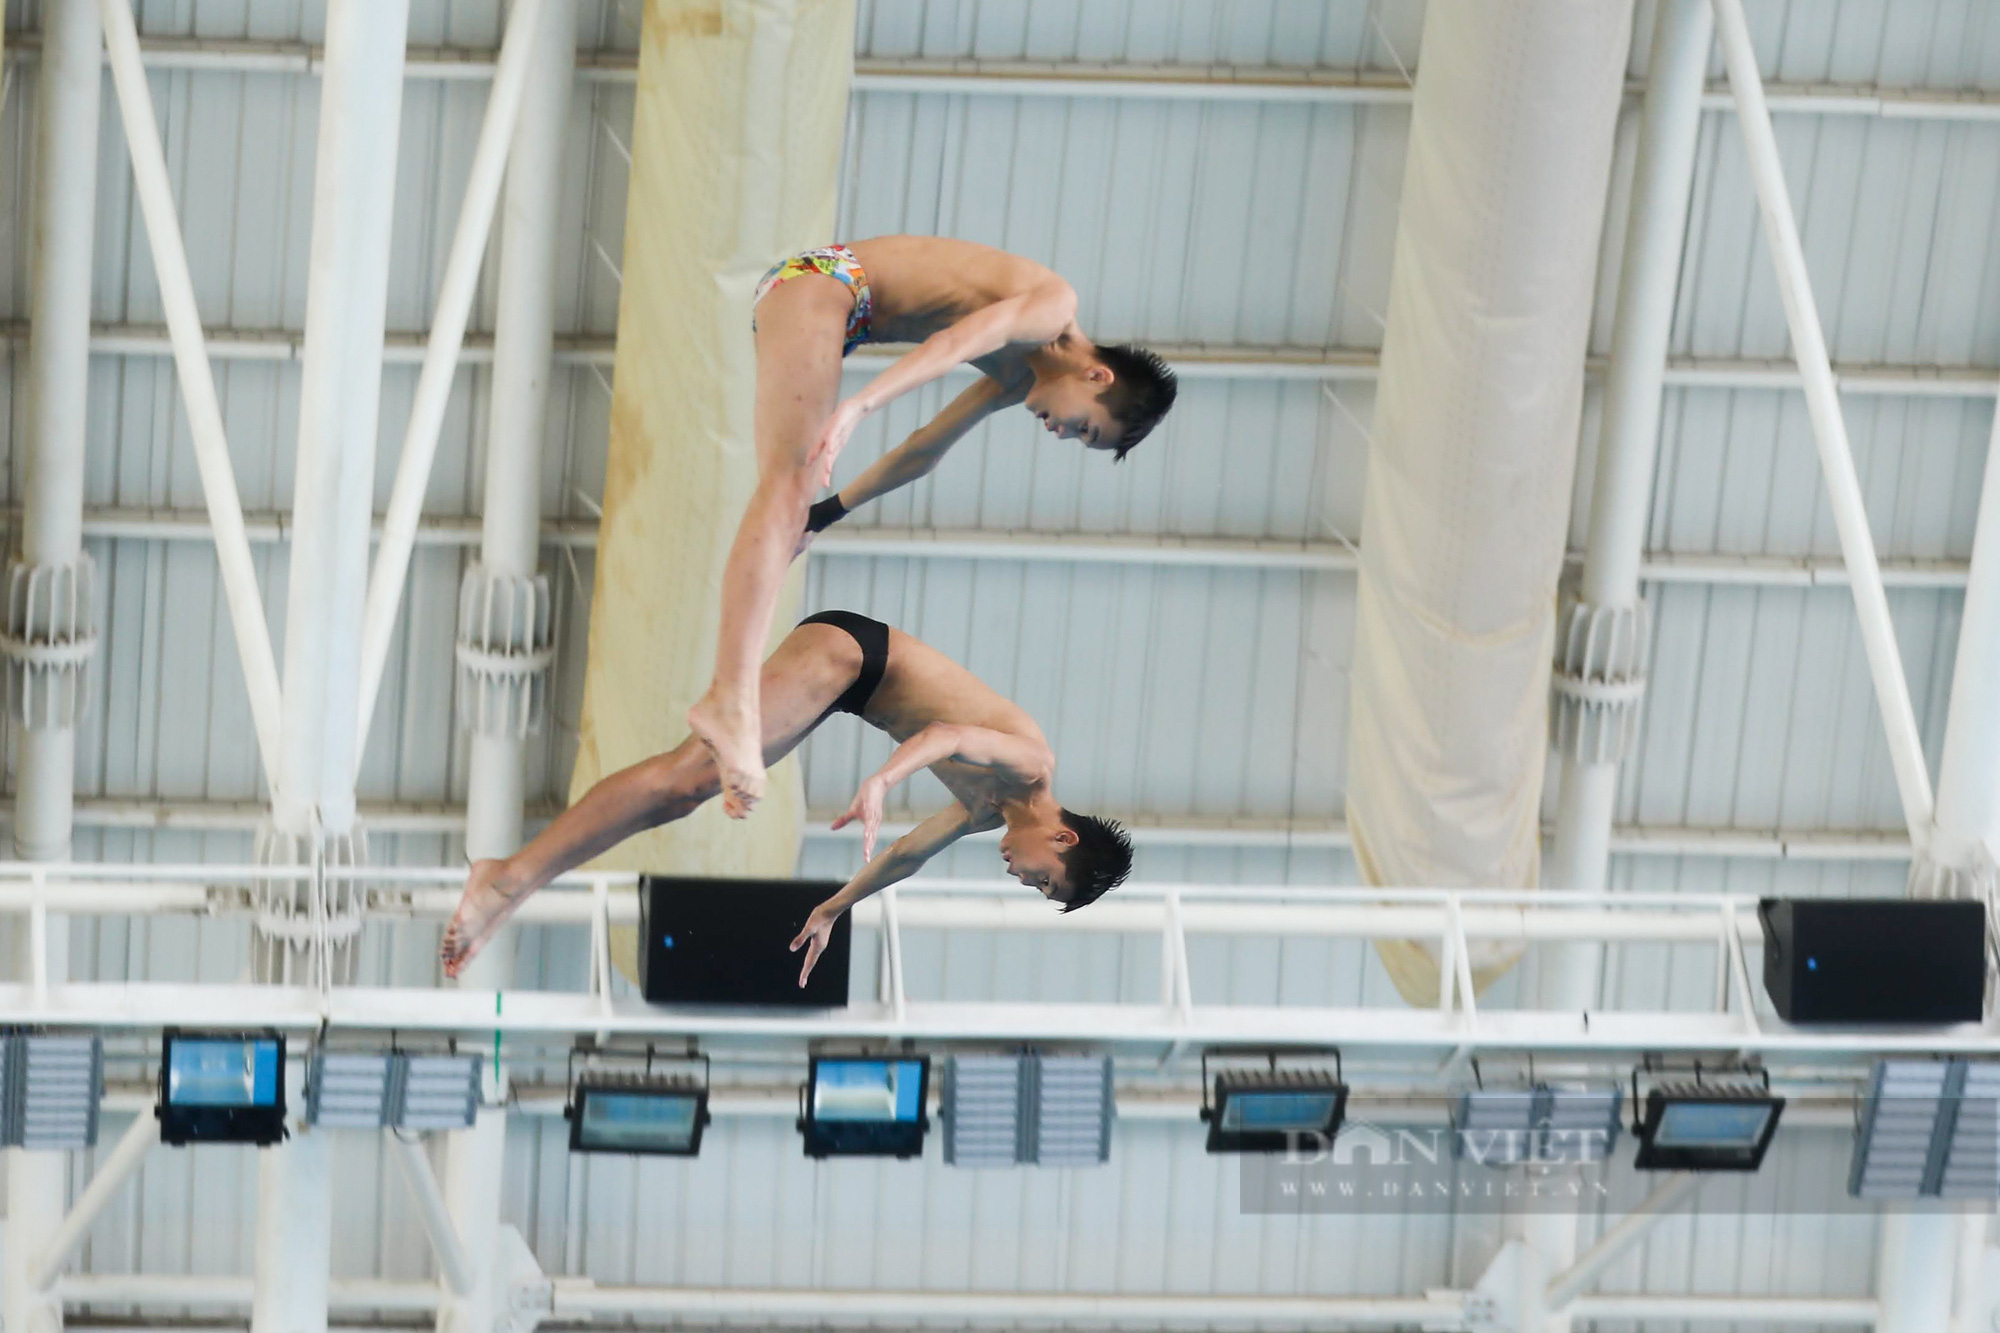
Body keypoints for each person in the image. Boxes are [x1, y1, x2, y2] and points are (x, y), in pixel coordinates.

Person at [685, 236, 1179, 821]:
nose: (1062, 434)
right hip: (830, 284)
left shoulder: (1021, 377)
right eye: (1084, 430)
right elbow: (956, 342)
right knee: (788, 483)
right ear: (1098, 377)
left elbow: (926, 448)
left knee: (795, 502)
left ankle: (731, 698)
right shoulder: (1053, 309)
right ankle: (730, 699)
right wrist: (860, 406)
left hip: (838, 309)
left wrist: (829, 513)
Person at [441, 609, 1133, 984]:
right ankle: (506, 880)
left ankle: (512, 878)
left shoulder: (989, 813)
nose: (1020, 875)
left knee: (682, 788)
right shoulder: (1033, 764)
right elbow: (949, 734)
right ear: (1064, 836)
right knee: (685, 782)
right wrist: (883, 780)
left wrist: (833, 909)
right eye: (1041, 877)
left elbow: (906, 856)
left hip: (848, 684)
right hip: (851, 657)